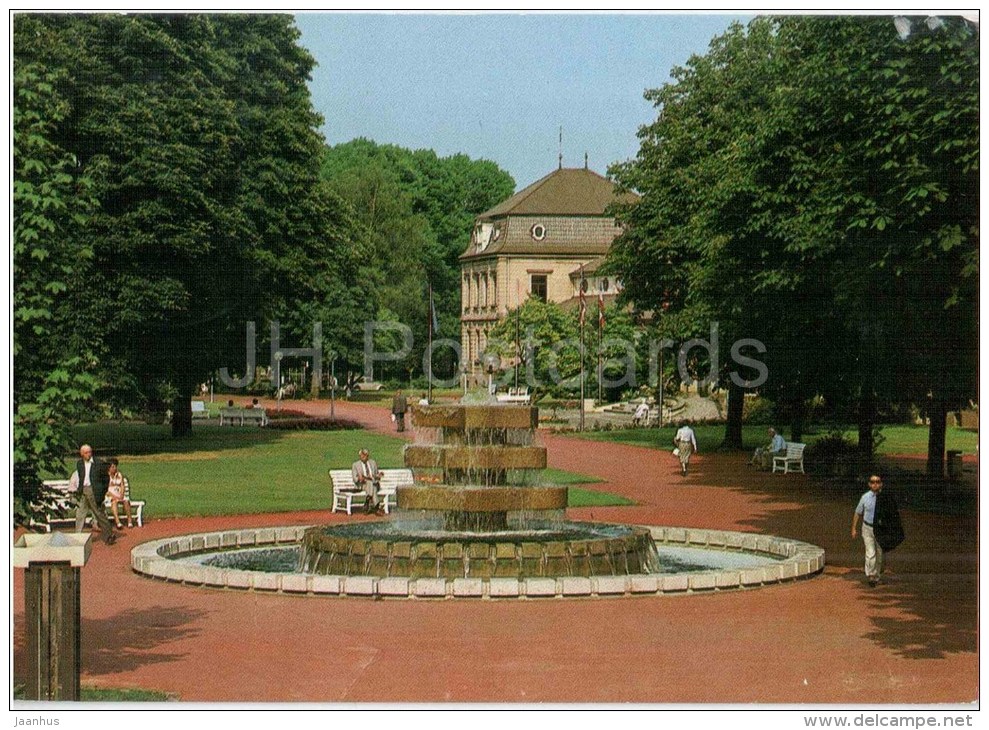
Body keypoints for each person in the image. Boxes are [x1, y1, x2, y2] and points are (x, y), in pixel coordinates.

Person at [73, 444, 116, 545]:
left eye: (90, 452)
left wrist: (102, 491)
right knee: (80, 514)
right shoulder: (79, 464)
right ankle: (77, 536)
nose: (89, 454)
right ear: (82, 454)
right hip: (83, 490)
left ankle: (109, 535)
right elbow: (81, 477)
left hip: (93, 491)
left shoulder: (98, 463)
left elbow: (106, 479)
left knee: (99, 513)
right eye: (86, 453)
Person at [851, 474, 886, 586]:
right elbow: (858, 512)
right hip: (867, 528)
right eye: (872, 482)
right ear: (869, 484)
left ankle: (876, 576)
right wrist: (853, 528)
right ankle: (871, 575)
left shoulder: (885, 498)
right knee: (870, 553)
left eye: (877, 481)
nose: (875, 484)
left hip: (880, 529)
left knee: (879, 554)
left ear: (881, 483)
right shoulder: (865, 497)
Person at [106, 457, 134, 529]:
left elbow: (122, 485)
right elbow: (106, 490)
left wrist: (122, 494)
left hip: (119, 494)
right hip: (110, 495)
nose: (114, 468)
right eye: (112, 467)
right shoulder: (105, 477)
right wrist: (114, 496)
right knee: (114, 502)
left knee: (126, 501)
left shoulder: (119, 475)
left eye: (115, 466)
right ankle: (118, 522)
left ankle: (129, 521)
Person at [351, 448, 382, 514]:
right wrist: (359, 478)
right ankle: (376, 507)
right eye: (362, 455)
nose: (364, 457)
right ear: (360, 456)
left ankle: (367, 501)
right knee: (370, 484)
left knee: (371, 483)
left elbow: (376, 474)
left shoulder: (373, 463)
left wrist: (378, 476)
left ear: (367, 456)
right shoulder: (355, 465)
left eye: (365, 455)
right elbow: (355, 479)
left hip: (373, 483)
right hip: (362, 484)